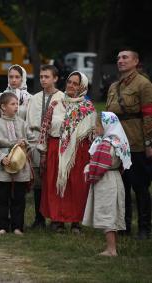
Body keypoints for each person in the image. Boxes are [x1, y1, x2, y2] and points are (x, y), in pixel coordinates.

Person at [38, 71, 96, 233]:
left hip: (79, 152)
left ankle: (75, 221)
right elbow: (45, 128)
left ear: (82, 87)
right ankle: (58, 220)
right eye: (69, 82)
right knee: (56, 185)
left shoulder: (87, 108)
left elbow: (92, 135)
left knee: (76, 187)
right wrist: (43, 151)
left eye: (75, 83)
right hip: (56, 149)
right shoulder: (56, 104)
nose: (70, 85)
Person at [105, 48, 152, 240]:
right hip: (116, 144)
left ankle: (144, 228)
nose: (120, 61)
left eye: (125, 57)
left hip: (136, 143)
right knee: (121, 187)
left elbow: (149, 114)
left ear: (135, 61)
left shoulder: (144, 84)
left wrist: (149, 141)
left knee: (140, 186)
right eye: (118, 58)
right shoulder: (113, 86)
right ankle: (123, 226)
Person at [83, 112, 132, 256]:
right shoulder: (118, 141)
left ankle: (111, 249)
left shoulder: (106, 143)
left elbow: (101, 165)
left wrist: (89, 171)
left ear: (106, 125)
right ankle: (112, 247)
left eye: (98, 126)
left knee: (107, 213)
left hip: (106, 180)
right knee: (113, 213)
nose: (95, 129)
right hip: (115, 178)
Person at [0, 92, 34, 235]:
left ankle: (17, 226)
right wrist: (1, 157)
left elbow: (31, 141)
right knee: (2, 197)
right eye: (12, 104)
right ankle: (2, 226)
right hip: (2, 168)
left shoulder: (22, 123)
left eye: (17, 104)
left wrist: (24, 144)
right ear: (3, 107)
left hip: (20, 167)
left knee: (19, 198)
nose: (16, 107)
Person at [25, 65, 64, 229]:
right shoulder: (34, 98)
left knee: (54, 180)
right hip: (35, 140)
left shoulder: (62, 97)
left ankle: (56, 219)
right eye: (41, 76)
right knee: (39, 182)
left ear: (55, 78)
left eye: (46, 76)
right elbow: (28, 121)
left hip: (54, 142)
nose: (43, 79)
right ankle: (39, 219)